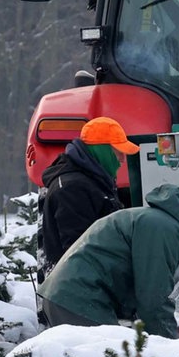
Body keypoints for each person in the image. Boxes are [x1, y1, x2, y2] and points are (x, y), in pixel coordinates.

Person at [40, 185, 179, 338]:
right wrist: (171, 351)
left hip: (72, 297)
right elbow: (152, 301)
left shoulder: (164, 225)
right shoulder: (164, 230)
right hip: (79, 299)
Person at [39, 116, 138, 271]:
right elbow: (79, 252)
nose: (123, 159)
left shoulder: (94, 182)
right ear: (103, 150)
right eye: (119, 152)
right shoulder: (72, 189)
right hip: (80, 287)